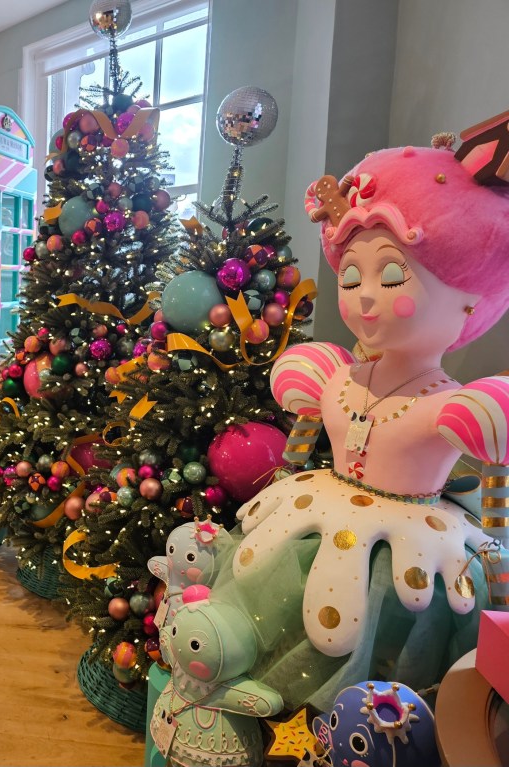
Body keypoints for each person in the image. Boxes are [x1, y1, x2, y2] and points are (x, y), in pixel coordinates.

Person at [208, 122, 509, 712]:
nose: (364, 294)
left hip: (403, 563)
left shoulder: (456, 406)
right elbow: (295, 455)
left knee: (378, 676)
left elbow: (496, 506)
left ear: (471, 300)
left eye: (392, 274)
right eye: (350, 275)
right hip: (310, 525)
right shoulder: (333, 374)